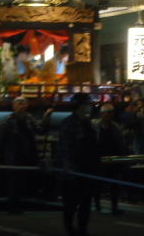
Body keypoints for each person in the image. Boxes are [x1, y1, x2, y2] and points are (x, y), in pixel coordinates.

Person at [0, 96, 52, 214]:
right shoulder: (9, 120)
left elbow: (40, 130)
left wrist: (47, 117)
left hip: (26, 155)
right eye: (19, 103)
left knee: (22, 182)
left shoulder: (29, 118)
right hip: (13, 155)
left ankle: (19, 206)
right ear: (13, 106)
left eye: (23, 103)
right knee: (13, 182)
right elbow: (0, 137)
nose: (21, 106)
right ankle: (13, 207)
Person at [58, 93, 99, 236]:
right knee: (71, 202)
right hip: (73, 169)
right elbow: (64, 147)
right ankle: (69, 227)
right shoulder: (68, 123)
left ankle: (82, 228)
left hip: (88, 167)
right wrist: (67, 165)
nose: (90, 107)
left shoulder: (89, 123)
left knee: (86, 201)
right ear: (80, 106)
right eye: (87, 104)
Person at [92, 103, 126, 215]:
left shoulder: (116, 128)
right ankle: (97, 205)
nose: (108, 115)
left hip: (113, 160)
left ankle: (114, 206)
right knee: (97, 184)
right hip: (98, 159)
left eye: (110, 113)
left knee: (114, 185)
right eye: (106, 113)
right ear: (101, 114)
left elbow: (120, 143)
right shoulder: (95, 125)